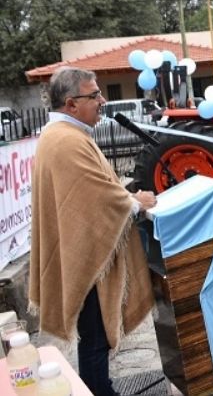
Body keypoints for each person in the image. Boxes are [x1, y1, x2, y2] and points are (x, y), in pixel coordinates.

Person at [29, 67, 156, 395]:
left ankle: (102, 388)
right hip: (85, 255)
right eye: (94, 95)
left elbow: (96, 189)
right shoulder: (66, 141)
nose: (102, 101)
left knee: (96, 337)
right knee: (96, 340)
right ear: (71, 104)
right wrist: (136, 201)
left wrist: (124, 194)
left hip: (82, 248)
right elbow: (97, 200)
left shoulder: (67, 135)